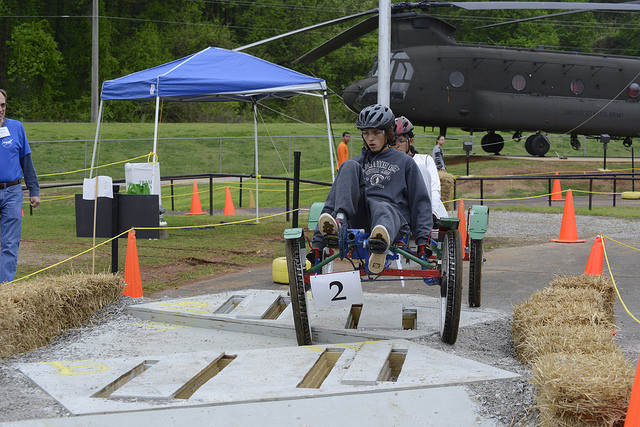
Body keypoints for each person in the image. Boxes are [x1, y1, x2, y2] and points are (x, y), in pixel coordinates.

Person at [311, 104, 432, 274]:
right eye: (366, 133)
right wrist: (317, 243)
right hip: (360, 220)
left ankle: (380, 243)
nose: (370, 139)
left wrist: (422, 242)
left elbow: (420, 203)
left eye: (376, 133)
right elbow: (332, 200)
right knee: (347, 165)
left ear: (388, 133)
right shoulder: (356, 163)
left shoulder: (405, 162)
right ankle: (340, 223)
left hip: (393, 220)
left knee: (382, 207)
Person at [0, 89, 40, 283]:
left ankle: (4, 288)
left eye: (3, 105)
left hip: (13, 192)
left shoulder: (17, 128)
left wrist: (34, 191)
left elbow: (26, 161)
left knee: (9, 243)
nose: (0, 109)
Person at [393, 116, 448, 220]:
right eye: (393, 142)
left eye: (401, 141)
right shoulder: (389, 163)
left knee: (421, 167)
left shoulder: (425, 160)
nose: (396, 146)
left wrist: (433, 213)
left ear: (411, 141)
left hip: (427, 212)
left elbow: (434, 188)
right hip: (401, 215)